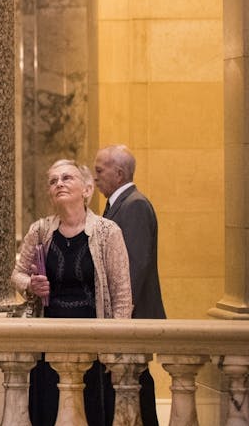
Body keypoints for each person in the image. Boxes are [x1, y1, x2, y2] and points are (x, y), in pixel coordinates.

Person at [12, 159, 133, 426]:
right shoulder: (40, 230)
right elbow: (17, 275)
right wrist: (31, 285)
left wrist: (117, 345)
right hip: (49, 338)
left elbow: (122, 294)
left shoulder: (107, 232)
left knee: (90, 410)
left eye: (67, 178)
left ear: (87, 189)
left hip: (94, 339)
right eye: (53, 181)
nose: (59, 184)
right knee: (49, 409)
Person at [93, 144, 164, 425]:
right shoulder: (120, 205)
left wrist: (120, 316)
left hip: (132, 317)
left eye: (100, 170)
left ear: (119, 173)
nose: (96, 177)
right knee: (132, 383)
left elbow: (135, 266)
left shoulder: (135, 205)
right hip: (127, 317)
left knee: (137, 382)